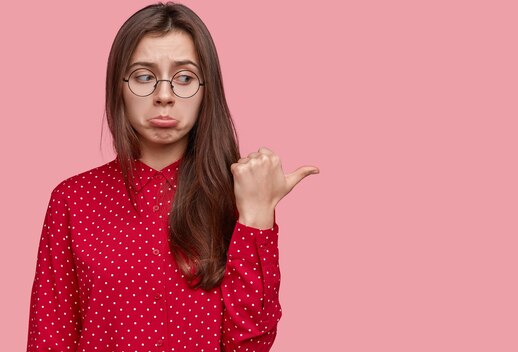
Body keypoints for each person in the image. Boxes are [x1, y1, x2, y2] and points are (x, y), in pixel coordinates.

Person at [26, 2, 318, 351]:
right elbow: (49, 339)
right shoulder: (73, 200)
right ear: (118, 86)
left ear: (206, 90)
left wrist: (256, 215)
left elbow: (250, 344)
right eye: (144, 76)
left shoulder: (237, 195)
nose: (164, 96)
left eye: (184, 78)